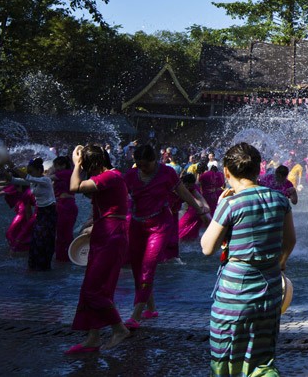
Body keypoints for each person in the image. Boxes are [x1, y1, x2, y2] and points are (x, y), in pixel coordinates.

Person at [201, 142, 296, 377]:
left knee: (225, 360)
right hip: (270, 291)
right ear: (258, 170)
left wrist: (220, 206)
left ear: (226, 171)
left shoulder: (231, 203)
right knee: (263, 362)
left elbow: (207, 247)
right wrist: (280, 263)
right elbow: (291, 240)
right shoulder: (279, 200)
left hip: (235, 296)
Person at [124, 144, 210, 327]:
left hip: (159, 226)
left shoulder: (167, 173)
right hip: (137, 225)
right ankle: (151, 309)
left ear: (154, 160)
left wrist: (201, 212)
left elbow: (184, 193)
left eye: (145, 165)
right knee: (137, 269)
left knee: (148, 267)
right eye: (138, 165)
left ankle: (135, 315)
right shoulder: (131, 175)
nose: (142, 169)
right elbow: (120, 197)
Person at [65, 144, 131, 353]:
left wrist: (76, 164)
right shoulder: (107, 178)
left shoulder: (110, 177)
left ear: (91, 163)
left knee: (95, 289)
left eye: (85, 164)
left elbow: (74, 187)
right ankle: (93, 337)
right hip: (104, 233)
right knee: (89, 288)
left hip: (112, 236)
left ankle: (119, 329)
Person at [6, 157, 57, 271]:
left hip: (49, 213)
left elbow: (26, 177)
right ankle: (34, 267)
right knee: (36, 240)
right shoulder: (33, 182)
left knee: (44, 240)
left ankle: (44, 268)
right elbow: (13, 180)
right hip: (41, 212)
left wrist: (11, 164)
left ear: (39, 171)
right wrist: (1, 167)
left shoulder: (46, 180)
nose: (29, 174)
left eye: (31, 171)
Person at [52, 155, 78, 263]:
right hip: (65, 205)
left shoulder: (66, 173)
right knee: (64, 233)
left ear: (63, 165)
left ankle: (64, 258)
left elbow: (47, 178)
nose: (56, 168)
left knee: (64, 234)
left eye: (57, 166)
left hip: (65, 205)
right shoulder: (67, 173)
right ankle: (65, 257)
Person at [178, 172, 211, 242]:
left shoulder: (192, 188)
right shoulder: (177, 186)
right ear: (184, 182)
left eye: (190, 186)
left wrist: (206, 206)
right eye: (187, 186)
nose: (188, 188)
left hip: (194, 209)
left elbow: (199, 197)